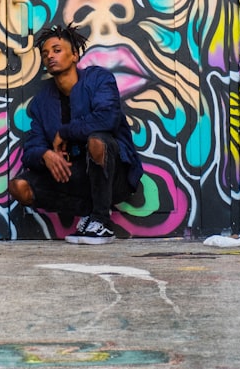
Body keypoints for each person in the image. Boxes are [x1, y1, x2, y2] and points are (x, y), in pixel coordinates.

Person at [9, 24, 144, 244]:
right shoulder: (42, 102)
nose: (50, 56)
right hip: (73, 177)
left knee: (97, 141)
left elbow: (107, 118)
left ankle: (101, 221)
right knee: (19, 187)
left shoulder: (99, 79)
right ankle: (88, 214)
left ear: (74, 55)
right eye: (45, 53)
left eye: (57, 50)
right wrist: (45, 155)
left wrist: (65, 131)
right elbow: (31, 149)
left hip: (114, 175)